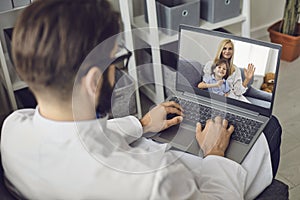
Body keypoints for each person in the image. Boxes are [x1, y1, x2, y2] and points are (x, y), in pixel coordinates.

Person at [0, 0, 281, 199]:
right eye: (116, 59)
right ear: (92, 81)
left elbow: (72, 138)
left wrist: (141, 123)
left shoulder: (12, 130)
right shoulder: (153, 180)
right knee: (270, 128)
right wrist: (215, 154)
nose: (118, 70)